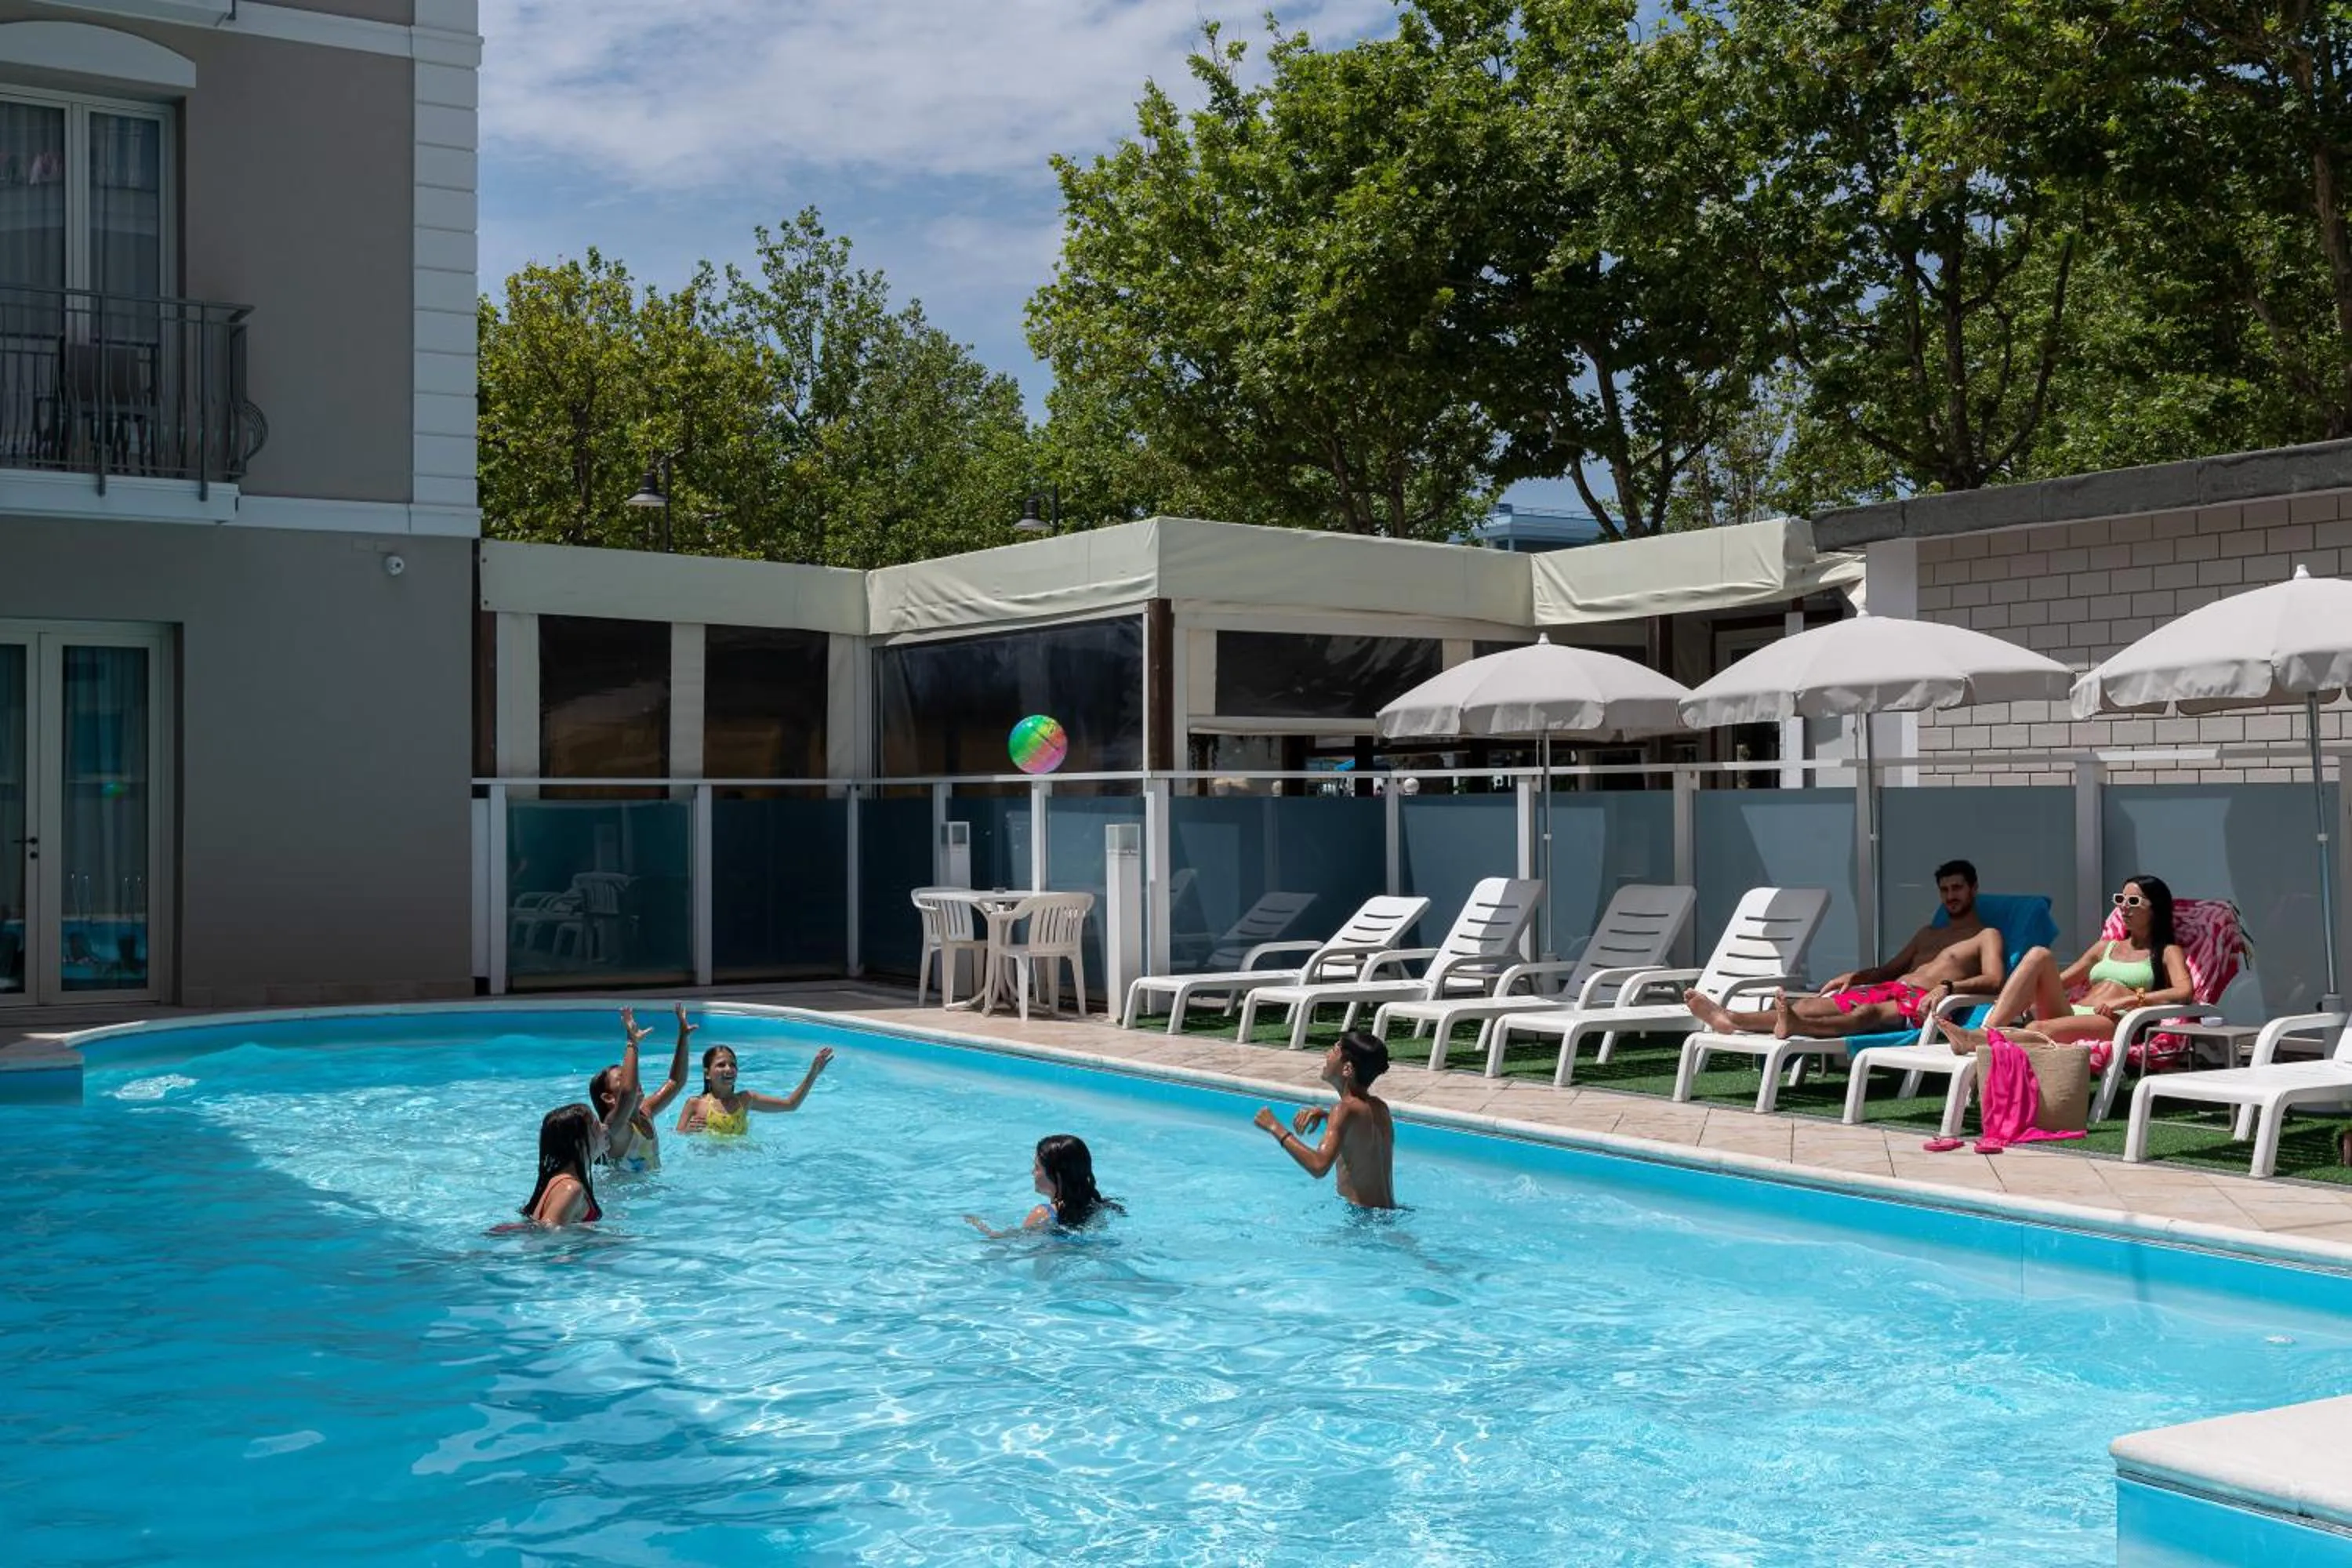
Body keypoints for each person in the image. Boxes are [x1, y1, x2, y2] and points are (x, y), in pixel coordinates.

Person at [1683, 859, 2008, 1040]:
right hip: (1891, 988)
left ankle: (1792, 1026)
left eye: (1957, 888)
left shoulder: (1986, 935)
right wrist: (1854, 976)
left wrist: (1947, 987)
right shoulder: (1928, 933)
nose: (1951, 895)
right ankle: (1730, 1018)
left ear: (1973, 889)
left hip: (1922, 1002)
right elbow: (1887, 971)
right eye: (1945, 890)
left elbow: (1996, 981)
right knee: (1812, 1003)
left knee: (1866, 1015)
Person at [1977, 873, 2193, 1044]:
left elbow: (2184, 992)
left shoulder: (2166, 951)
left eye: (2133, 901)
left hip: (2110, 1020)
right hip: (2074, 1012)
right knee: (2039, 954)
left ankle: (1977, 1040)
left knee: (2036, 1030)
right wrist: (2020, 996)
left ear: (2155, 909)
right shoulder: (2104, 948)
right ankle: (1985, 1033)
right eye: (2120, 899)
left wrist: (2132, 999)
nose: (2123, 907)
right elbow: (2057, 982)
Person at [1252, 1030, 1397, 1210]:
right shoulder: (1380, 1107)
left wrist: (1275, 1127)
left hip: (1362, 1219)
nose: (1327, 1055)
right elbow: (1361, 1136)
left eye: (1334, 1050)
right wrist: (1327, 1117)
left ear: (1347, 1069)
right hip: (1388, 1212)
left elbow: (1319, 1166)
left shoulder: (1343, 1110)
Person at [591, 1005, 693, 1173]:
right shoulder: (614, 1127)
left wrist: (684, 1037)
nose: (634, 1080)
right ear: (608, 1098)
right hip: (622, 1198)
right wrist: (632, 1042)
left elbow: (676, 1081)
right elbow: (628, 1093)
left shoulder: (646, 1112)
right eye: (623, 1078)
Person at [964, 1134, 1123, 1236]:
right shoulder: (1099, 1207)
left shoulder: (1044, 1213)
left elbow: (1008, 1242)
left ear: (1057, 1176)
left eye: (1037, 1167)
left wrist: (978, 1225)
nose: (1032, 1173)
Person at [674, 1041, 835, 1135]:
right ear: (707, 1073)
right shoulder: (695, 1104)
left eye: (733, 1065)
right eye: (721, 1065)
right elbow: (677, 1136)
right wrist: (687, 1131)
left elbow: (791, 1104)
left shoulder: (746, 1100)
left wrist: (813, 1074)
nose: (728, 1069)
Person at [517, 1103, 605, 1227]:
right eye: (596, 1126)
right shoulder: (570, 1188)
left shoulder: (562, 1182)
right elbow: (547, 1237)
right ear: (578, 1143)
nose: (604, 1127)